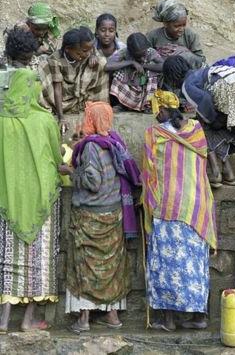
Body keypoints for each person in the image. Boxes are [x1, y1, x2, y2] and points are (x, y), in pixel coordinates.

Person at [62, 101, 141, 334]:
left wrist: (70, 172)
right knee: (112, 266)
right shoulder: (114, 142)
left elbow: (92, 183)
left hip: (90, 215)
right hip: (114, 212)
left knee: (85, 265)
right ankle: (112, 316)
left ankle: (84, 319)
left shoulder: (90, 147)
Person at [142, 90, 217, 331]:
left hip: (167, 207)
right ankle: (199, 317)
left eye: (156, 110)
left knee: (166, 265)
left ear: (162, 110)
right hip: (196, 206)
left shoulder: (153, 135)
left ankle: (169, 320)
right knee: (194, 263)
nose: (155, 114)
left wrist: (148, 202)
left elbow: (149, 174)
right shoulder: (196, 129)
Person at [0, 66, 63, 332]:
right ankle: (28, 321)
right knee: (40, 262)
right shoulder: (45, 120)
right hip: (41, 201)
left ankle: (3, 320)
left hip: (8, 201)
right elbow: (57, 159)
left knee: (8, 260)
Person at [164, 55, 235, 187]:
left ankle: (215, 173)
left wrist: (212, 121)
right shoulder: (201, 72)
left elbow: (205, 100)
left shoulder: (187, 85)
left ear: (172, 77)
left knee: (205, 126)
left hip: (229, 87)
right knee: (234, 128)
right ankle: (228, 172)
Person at [40, 26, 109, 130]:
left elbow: (91, 50)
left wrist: (94, 55)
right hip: (64, 100)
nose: (88, 53)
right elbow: (57, 89)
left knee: (101, 62)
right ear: (68, 49)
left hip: (83, 97)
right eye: (84, 51)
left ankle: (98, 106)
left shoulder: (88, 52)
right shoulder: (56, 59)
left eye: (90, 50)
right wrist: (61, 117)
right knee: (42, 68)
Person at [106, 32, 164, 112]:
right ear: (130, 52)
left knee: (154, 73)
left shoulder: (150, 52)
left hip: (145, 87)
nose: (142, 58)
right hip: (129, 85)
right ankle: (121, 105)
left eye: (143, 55)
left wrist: (144, 66)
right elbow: (107, 66)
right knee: (117, 72)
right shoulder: (124, 52)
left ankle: (147, 105)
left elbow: (163, 66)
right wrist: (131, 63)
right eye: (138, 56)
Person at [146, 0, 206, 68]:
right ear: (165, 24)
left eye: (184, 25)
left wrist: (184, 52)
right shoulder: (153, 36)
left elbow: (201, 61)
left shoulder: (190, 35)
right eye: (177, 26)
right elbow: (143, 55)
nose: (181, 29)